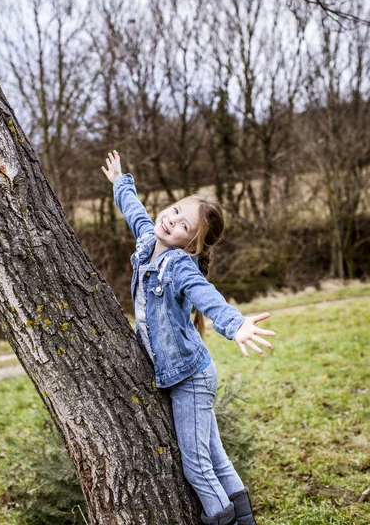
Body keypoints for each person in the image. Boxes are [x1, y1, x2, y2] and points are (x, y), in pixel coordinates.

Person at [102, 150, 276, 525]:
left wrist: (235, 324)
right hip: (190, 373)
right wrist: (120, 182)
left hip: (190, 380)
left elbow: (206, 296)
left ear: (192, 245)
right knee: (216, 458)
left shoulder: (180, 265)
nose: (172, 221)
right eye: (175, 211)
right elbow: (135, 211)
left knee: (197, 468)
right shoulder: (149, 240)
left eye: (184, 227)